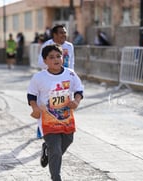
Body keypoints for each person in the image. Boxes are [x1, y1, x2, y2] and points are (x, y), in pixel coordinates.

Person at [27, 44, 84, 181]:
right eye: (51, 57)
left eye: (58, 56)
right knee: (56, 150)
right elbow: (31, 95)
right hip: (48, 119)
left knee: (68, 140)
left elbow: (79, 90)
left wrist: (76, 102)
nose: (56, 59)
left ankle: (48, 150)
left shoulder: (70, 73)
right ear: (45, 61)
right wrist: (34, 108)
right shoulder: (39, 77)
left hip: (66, 117)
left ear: (63, 58)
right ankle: (56, 177)